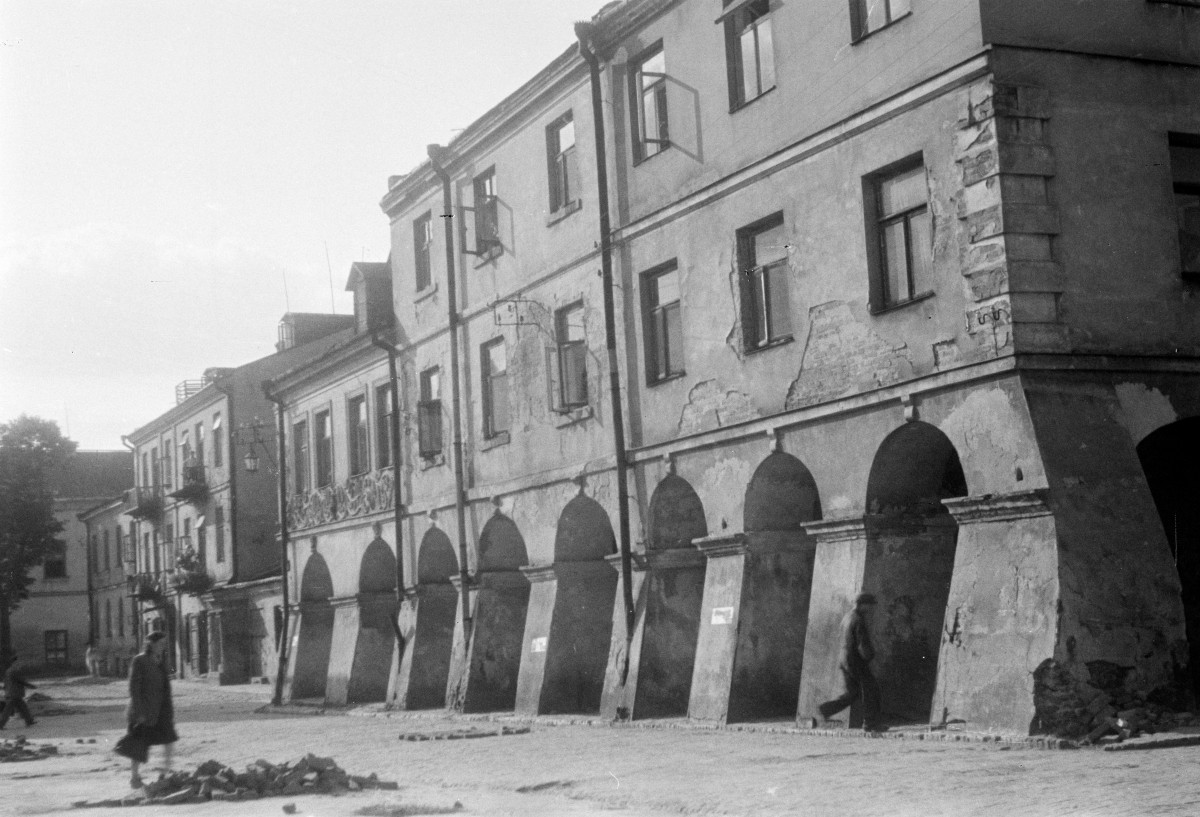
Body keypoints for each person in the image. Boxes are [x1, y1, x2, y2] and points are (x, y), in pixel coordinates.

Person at [116, 633, 177, 788]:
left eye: (164, 644)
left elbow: (165, 687)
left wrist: (168, 709)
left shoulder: (160, 661)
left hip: (161, 709)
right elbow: (134, 688)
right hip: (144, 710)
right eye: (160, 643)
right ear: (151, 644)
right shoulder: (140, 660)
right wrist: (139, 712)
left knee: (169, 739)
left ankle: (165, 773)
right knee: (139, 744)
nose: (163, 647)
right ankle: (135, 778)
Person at [818, 592, 885, 733]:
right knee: (871, 691)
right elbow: (862, 644)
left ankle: (825, 710)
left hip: (845, 660)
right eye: (869, 605)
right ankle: (870, 724)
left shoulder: (847, 617)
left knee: (852, 693)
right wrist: (870, 657)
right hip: (856, 661)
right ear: (863, 605)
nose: (871, 608)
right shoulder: (858, 620)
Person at [0, 654, 38, 730]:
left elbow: (6, 683)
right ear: (14, 663)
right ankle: (1, 724)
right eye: (18, 662)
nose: (20, 664)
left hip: (12, 693)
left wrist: (5, 690)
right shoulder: (14, 671)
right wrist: (31, 686)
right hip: (14, 694)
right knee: (7, 711)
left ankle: (29, 721)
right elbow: (21, 681)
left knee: (23, 707)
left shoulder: (8, 671)